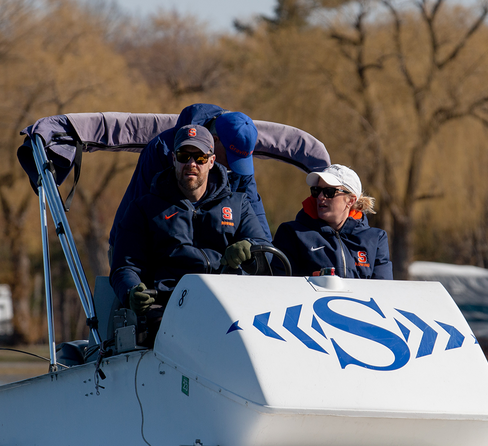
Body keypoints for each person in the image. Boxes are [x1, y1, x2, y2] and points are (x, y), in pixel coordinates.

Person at [110, 124, 270, 339]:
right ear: (174, 160)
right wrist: (131, 292)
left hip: (231, 306)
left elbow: (263, 251)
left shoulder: (239, 204)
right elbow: (124, 267)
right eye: (184, 156)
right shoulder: (143, 209)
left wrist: (249, 248)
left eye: (200, 158)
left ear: (212, 161)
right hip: (168, 308)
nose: (191, 164)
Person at [108, 104, 270, 265]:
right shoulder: (163, 150)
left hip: (214, 268)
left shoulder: (238, 166)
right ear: (214, 142)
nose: (232, 167)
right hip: (142, 251)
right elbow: (142, 216)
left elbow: (261, 232)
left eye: (241, 162)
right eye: (230, 158)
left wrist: (253, 245)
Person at [273, 164, 392, 279]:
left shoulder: (376, 239)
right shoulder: (292, 234)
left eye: (329, 192)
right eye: (316, 190)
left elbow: (383, 291)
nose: (320, 197)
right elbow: (280, 287)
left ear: (351, 200)